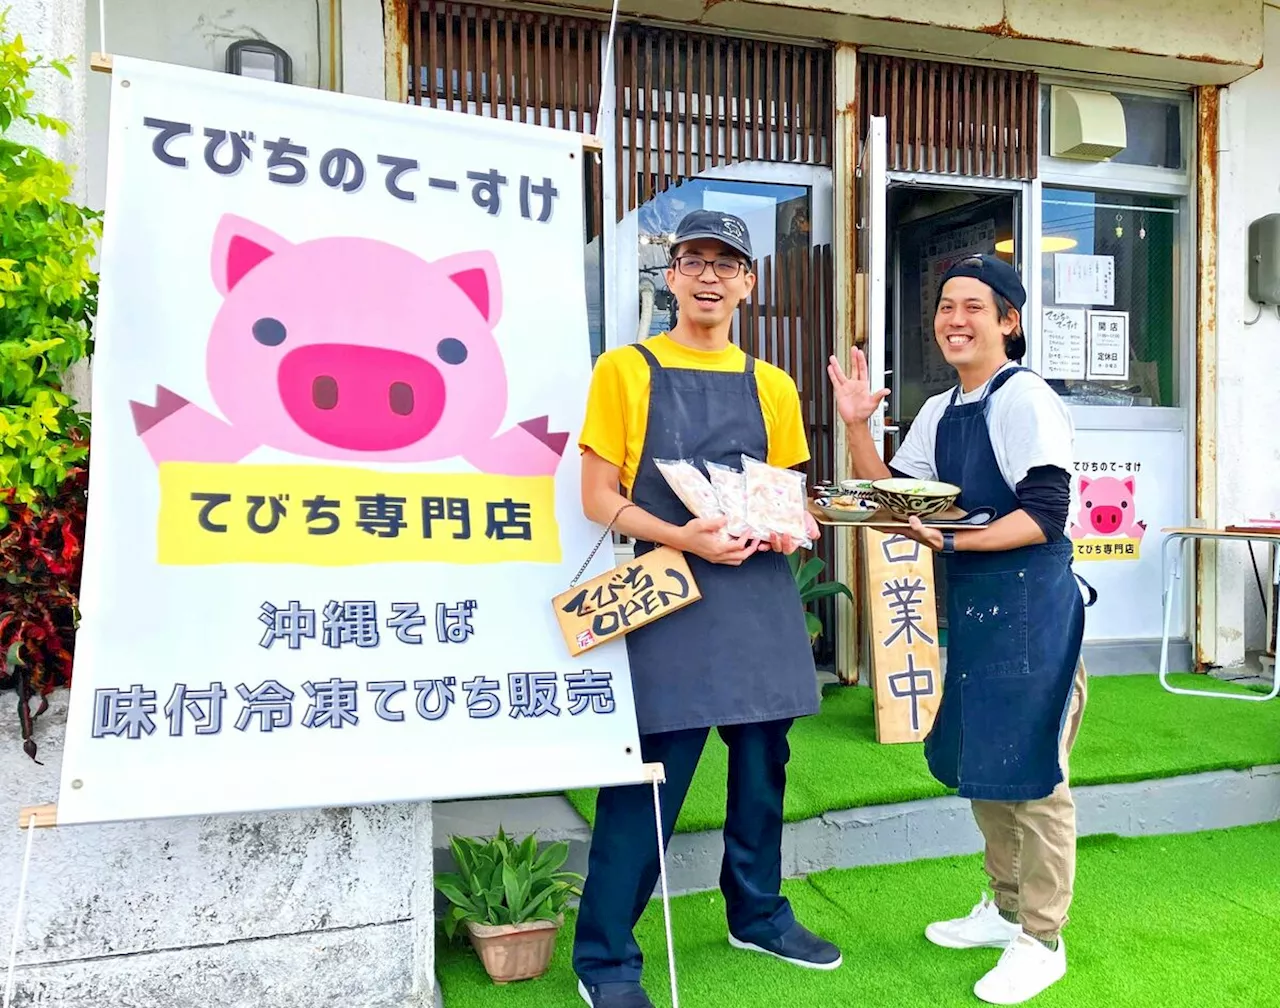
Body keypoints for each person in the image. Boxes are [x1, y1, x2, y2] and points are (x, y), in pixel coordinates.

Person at [572, 209, 841, 1008]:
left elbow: (788, 494)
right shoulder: (624, 370)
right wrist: (685, 536)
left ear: (749, 283)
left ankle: (756, 913)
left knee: (764, 769)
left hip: (757, 594)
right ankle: (606, 958)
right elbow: (598, 499)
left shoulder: (774, 384)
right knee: (650, 778)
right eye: (694, 260)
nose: (710, 276)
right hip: (670, 588)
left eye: (728, 263)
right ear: (673, 276)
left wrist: (795, 526)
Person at [828, 254, 1092, 1005]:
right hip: (978, 610)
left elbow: (1043, 515)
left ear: (1008, 321)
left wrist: (950, 543)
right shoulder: (942, 410)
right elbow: (892, 498)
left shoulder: (1025, 398)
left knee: (1037, 777)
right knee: (986, 764)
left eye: (974, 306)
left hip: (1034, 609)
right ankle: (1003, 907)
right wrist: (855, 425)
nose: (955, 319)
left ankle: (1042, 937)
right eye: (946, 305)